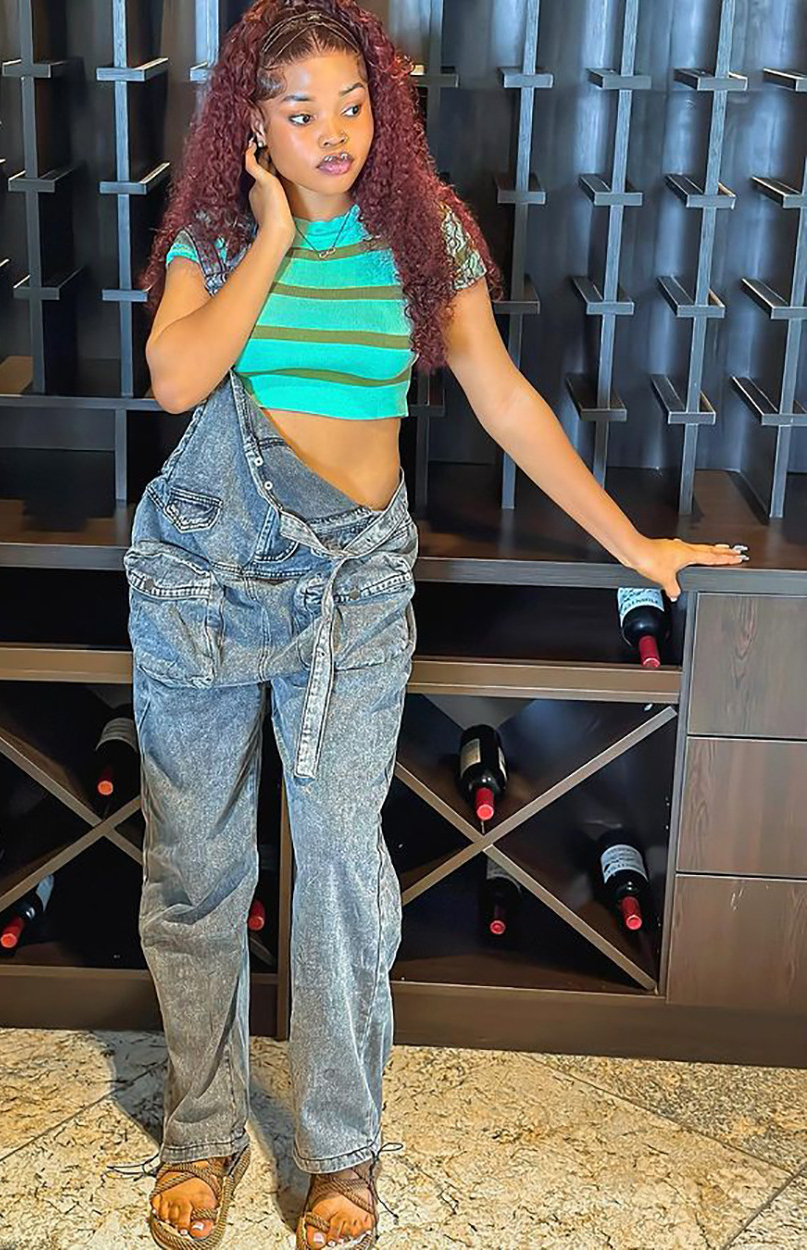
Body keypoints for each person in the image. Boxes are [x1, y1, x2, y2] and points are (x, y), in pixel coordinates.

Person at [116, 2, 749, 1247]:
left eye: (352, 104)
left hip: (353, 587)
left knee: (341, 865)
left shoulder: (424, 229)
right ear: (252, 123)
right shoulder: (215, 232)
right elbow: (177, 378)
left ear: (383, 106)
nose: (333, 132)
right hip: (203, 574)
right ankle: (200, 1130)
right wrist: (276, 233)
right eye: (300, 110)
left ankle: (339, 1147)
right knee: (195, 869)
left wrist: (632, 544)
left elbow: (501, 396)